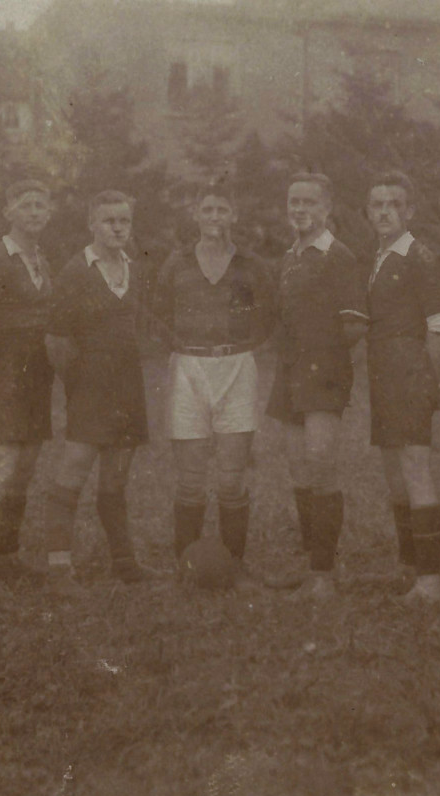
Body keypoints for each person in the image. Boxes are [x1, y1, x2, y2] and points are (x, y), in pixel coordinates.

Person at [152, 182, 276, 583]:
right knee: (190, 479)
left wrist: (239, 345)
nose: (215, 217)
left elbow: (268, 315)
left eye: (222, 210)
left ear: (233, 216)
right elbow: (158, 313)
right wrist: (182, 347)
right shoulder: (177, 263)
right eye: (208, 210)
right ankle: (184, 566)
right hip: (189, 367)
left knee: (230, 478)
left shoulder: (250, 265)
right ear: (196, 215)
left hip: (236, 366)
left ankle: (235, 566)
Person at [264, 172, 368, 601]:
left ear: (326, 209)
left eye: (309, 202)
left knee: (321, 464)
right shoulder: (290, 256)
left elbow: (354, 327)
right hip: (290, 375)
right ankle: (312, 564)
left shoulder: (337, 256)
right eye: (294, 202)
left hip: (321, 374)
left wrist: (327, 366)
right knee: (298, 466)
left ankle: (324, 576)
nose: (300, 209)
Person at [43, 190, 150, 585]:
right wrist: (79, 383)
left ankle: (124, 562)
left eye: (124, 220)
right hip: (90, 386)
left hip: (128, 386)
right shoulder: (76, 271)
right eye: (109, 220)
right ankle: (58, 564)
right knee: (74, 467)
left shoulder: (134, 267)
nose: (118, 228)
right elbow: (55, 340)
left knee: (116, 477)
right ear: (92, 225)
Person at [363, 171, 440, 604]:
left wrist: (429, 381)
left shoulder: (419, 256)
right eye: (377, 204)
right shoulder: (379, 256)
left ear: (410, 211)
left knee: (415, 471)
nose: (385, 211)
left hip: (410, 374)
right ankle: (408, 565)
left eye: (394, 204)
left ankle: (431, 581)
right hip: (383, 375)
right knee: (395, 476)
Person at [0, 180, 55, 578]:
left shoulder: (41, 258)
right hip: (3, 367)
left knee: (27, 464)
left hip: (37, 369)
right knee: (3, 460)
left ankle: (7, 553)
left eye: (41, 205)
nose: (34, 212)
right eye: (26, 205)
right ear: (9, 212)